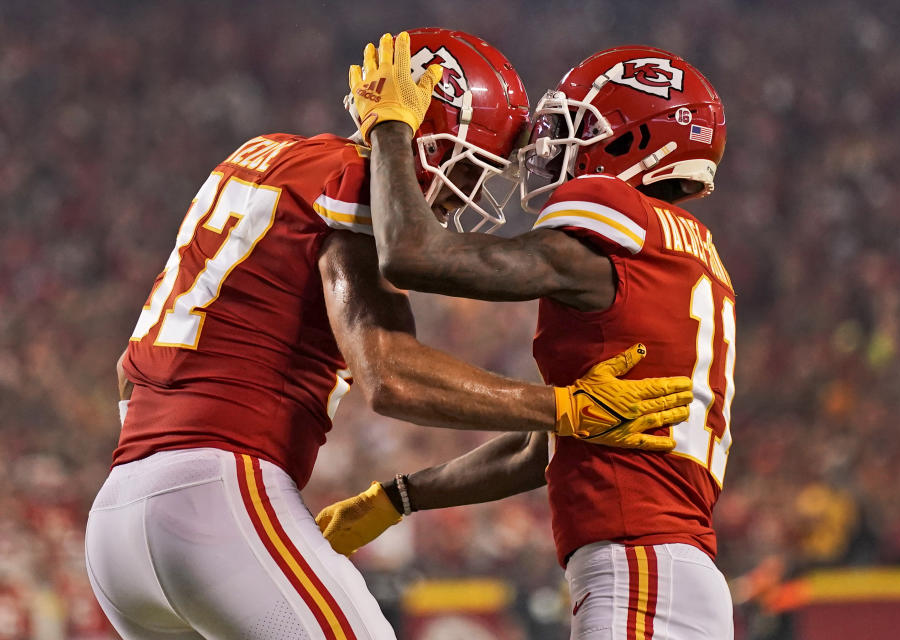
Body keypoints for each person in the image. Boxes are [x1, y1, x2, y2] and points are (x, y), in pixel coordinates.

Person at [84, 28, 694, 640]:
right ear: (428, 132)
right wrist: (564, 407)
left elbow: (125, 371)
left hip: (117, 517)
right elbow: (390, 377)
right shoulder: (352, 181)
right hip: (218, 494)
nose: (468, 196)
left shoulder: (262, 155)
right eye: (473, 167)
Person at [319, 35, 735, 639]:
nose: (554, 146)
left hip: (640, 569)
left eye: (578, 127)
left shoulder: (622, 215)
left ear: (635, 139)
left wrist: (389, 127)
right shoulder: (688, 258)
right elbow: (544, 445)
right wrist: (399, 496)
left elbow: (410, 255)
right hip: (661, 570)